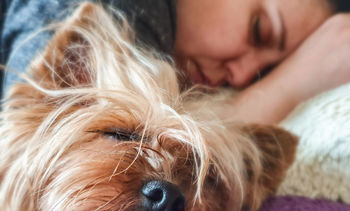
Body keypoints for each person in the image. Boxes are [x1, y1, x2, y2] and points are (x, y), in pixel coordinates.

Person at [1, 0, 350, 124]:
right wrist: (286, 87)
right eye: (258, 29)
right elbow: (41, 152)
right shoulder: (115, 11)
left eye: (263, 72)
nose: (241, 76)